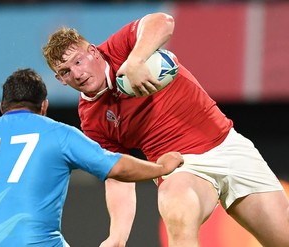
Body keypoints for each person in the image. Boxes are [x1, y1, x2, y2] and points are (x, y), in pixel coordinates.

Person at [42, 12, 289, 247]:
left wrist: (136, 59)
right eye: (65, 72)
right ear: (60, 80)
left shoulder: (120, 48)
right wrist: (117, 235)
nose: (77, 73)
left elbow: (164, 21)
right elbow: (119, 176)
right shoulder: (91, 120)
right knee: (178, 212)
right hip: (182, 167)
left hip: (227, 145)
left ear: (93, 52)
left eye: (78, 61)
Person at [0, 68, 183, 247]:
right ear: (44, 106)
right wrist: (160, 166)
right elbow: (117, 166)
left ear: (2, 106)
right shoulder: (59, 134)